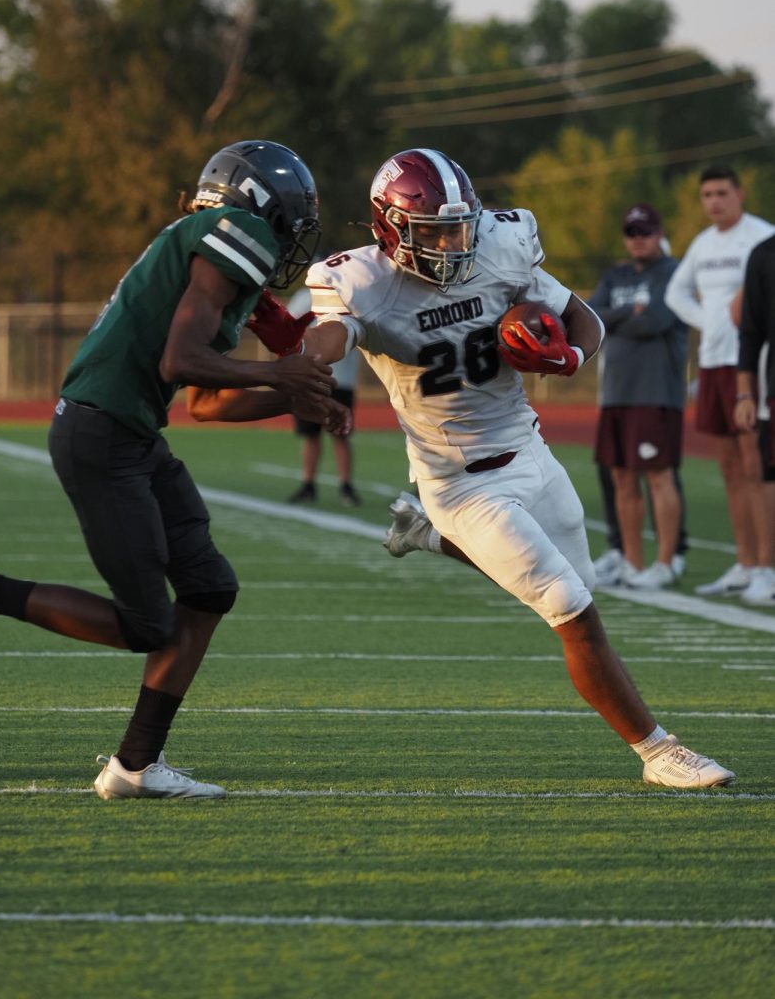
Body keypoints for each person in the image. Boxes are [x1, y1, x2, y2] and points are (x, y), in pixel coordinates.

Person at [0, 139, 349, 801]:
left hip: (128, 432)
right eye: (290, 216)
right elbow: (181, 363)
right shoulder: (239, 232)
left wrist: (293, 393)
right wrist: (280, 371)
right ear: (257, 204)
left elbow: (205, 402)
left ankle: (136, 766)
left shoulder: (208, 249)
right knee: (148, 625)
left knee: (208, 587)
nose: (291, 235)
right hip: (102, 432)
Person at [296, 146, 733, 788]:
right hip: (459, 480)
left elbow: (580, 316)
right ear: (389, 229)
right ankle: (659, 752)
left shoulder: (500, 243)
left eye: (460, 225)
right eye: (434, 231)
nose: (453, 242)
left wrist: (572, 358)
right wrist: (313, 352)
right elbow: (328, 334)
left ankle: (426, 537)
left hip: (530, 452)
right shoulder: (360, 282)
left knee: (579, 593)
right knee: (572, 611)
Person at [664, 164, 774, 598]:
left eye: (721, 193)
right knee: (729, 468)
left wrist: (740, 325)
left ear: (739, 194)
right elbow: (676, 293)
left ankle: (768, 564)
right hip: (713, 362)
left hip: (749, 364)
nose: (714, 202)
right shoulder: (703, 244)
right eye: (706, 194)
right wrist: (708, 324)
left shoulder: (761, 237)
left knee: (757, 466)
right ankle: (745, 563)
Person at [586, 204, 689, 589]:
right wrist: (631, 309)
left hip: (655, 391)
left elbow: (656, 321)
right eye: (632, 233)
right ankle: (631, 562)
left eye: (645, 232)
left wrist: (620, 315)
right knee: (621, 478)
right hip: (616, 393)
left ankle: (665, 561)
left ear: (660, 232)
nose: (639, 239)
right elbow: (594, 317)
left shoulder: (674, 272)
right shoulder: (616, 275)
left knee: (659, 477)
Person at [286, 283, 362, 507]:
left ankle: (346, 484)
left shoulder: (350, 294)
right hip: (312, 376)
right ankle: (309, 483)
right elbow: (289, 327)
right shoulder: (307, 295)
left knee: (340, 433)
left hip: (338, 379)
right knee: (311, 434)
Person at [733, 232, 775, 605]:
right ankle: (766, 569)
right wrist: (745, 393)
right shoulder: (764, 254)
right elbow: (751, 331)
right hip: (771, 389)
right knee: (767, 480)